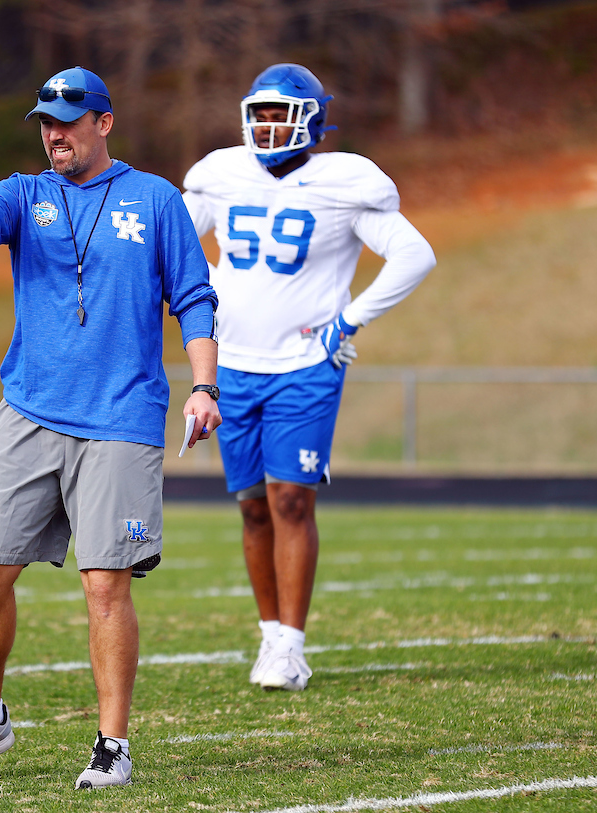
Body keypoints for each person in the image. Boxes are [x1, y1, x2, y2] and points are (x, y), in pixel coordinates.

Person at [0, 66, 221, 788]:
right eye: (46, 122)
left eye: (68, 120)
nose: (55, 133)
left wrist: (205, 385)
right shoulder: (27, 193)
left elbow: (195, 297)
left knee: (104, 584)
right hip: (28, 411)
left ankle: (112, 744)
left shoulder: (155, 199)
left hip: (120, 416)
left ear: (104, 122)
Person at [182, 64, 436, 691]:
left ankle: (291, 646)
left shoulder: (345, 181)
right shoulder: (221, 174)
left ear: (313, 120)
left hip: (304, 365)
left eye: (280, 114)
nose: (267, 128)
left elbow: (414, 255)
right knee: (251, 509)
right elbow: (175, 246)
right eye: (259, 115)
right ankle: (269, 636)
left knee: (290, 497)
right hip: (231, 362)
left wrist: (349, 320)